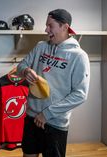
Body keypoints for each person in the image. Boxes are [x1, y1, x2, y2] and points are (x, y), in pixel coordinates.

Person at [17, 9, 90, 157]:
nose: (46, 30)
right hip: (32, 117)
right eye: (46, 25)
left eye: (50, 25)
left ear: (64, 27)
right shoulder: (41, 47)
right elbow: (21, 66)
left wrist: (47, 114)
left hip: (55, 123)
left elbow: (80, 95)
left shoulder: (79, 56)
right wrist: (25, 71)